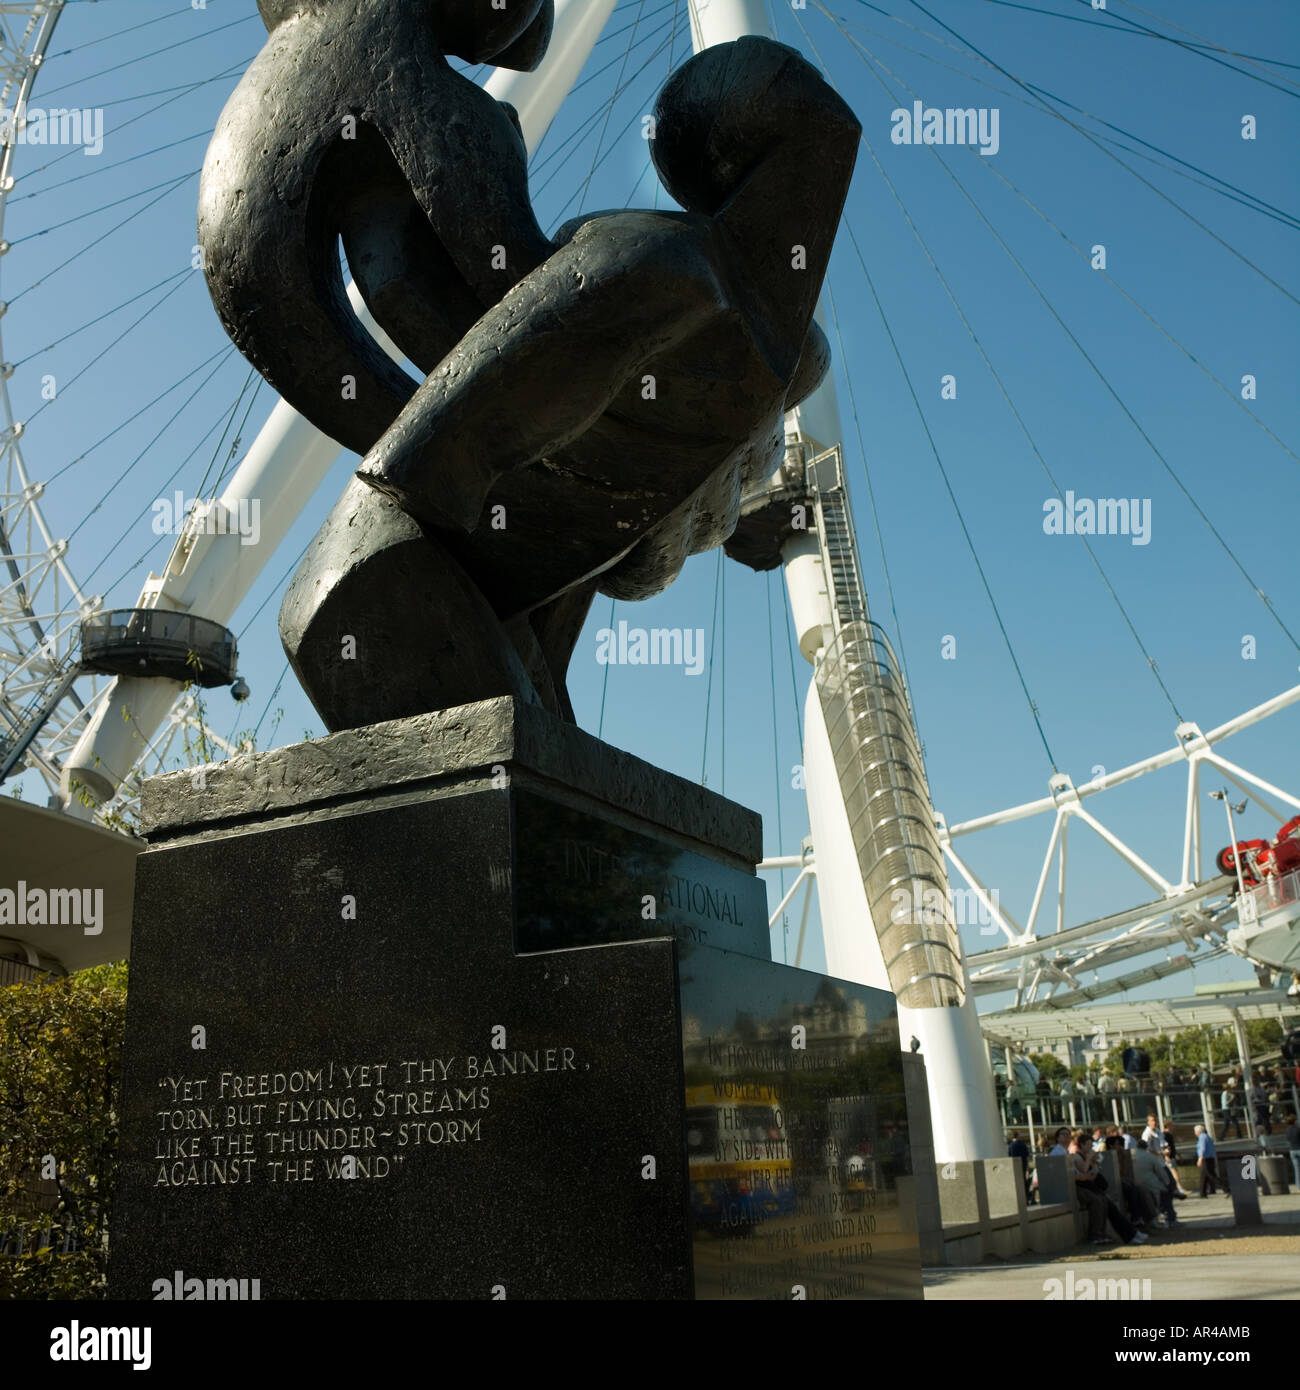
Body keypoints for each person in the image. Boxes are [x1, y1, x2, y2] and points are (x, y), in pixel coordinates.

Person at [1072, 1133, 1148, 1247]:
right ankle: (1129, 1234)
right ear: (1081, 1145)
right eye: (1088, 1145)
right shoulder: (1077, 1156)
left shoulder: (1087, 1156)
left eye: (1091, 1145)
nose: (1090, 1148)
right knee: (1107, 1206)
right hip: (1085, 1189)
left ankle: (1132, 1233)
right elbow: (1083, 1170)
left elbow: (1092, 1175)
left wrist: (1094, 1163)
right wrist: (1089, 1160)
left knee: (1112, 1208)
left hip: (1093, 1188)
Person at [1133, 1139, 1179, 1227]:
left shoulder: (1133, 1155)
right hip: (1150, 1183)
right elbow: (1161, 1172)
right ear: (1146, 1147)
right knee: (1165, 1195)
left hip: (1136, 1184)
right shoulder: (1150, 1157)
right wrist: (1167, 1183)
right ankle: (1170, 1218)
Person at [1194, 1124, 1221, 1196]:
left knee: (1211, 1175)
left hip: (1206, 1158)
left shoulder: (1202, 1137)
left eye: (1195, 1131)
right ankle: (1203, 1193)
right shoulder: (1207, 1137)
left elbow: (1202, 1148)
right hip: (1210, 1158)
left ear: (1198, 1131)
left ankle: (1226, 1188)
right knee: (1204, 1176)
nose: (1195, 1133)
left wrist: (1200, 1158)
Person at [1008, 1130, 1034, 1203]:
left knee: (1017, 1183)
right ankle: (1027, 1198)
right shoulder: (1022, 1144)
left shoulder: (1011, 1145)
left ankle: (1020, 1200)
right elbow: (1027, 1156)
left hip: (1015, 1166)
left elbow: (1010, 1157)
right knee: (1024, 1182)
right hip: (1023, 1165)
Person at [1285, 1114, 1300, 1191]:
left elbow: (1288, 1140)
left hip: (1292, 1150)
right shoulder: (1297, 1129)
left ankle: (1298, 1186)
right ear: (1294, 1121)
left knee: (1296, 1169)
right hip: (1298, 1148)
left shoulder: (1287, 1130)